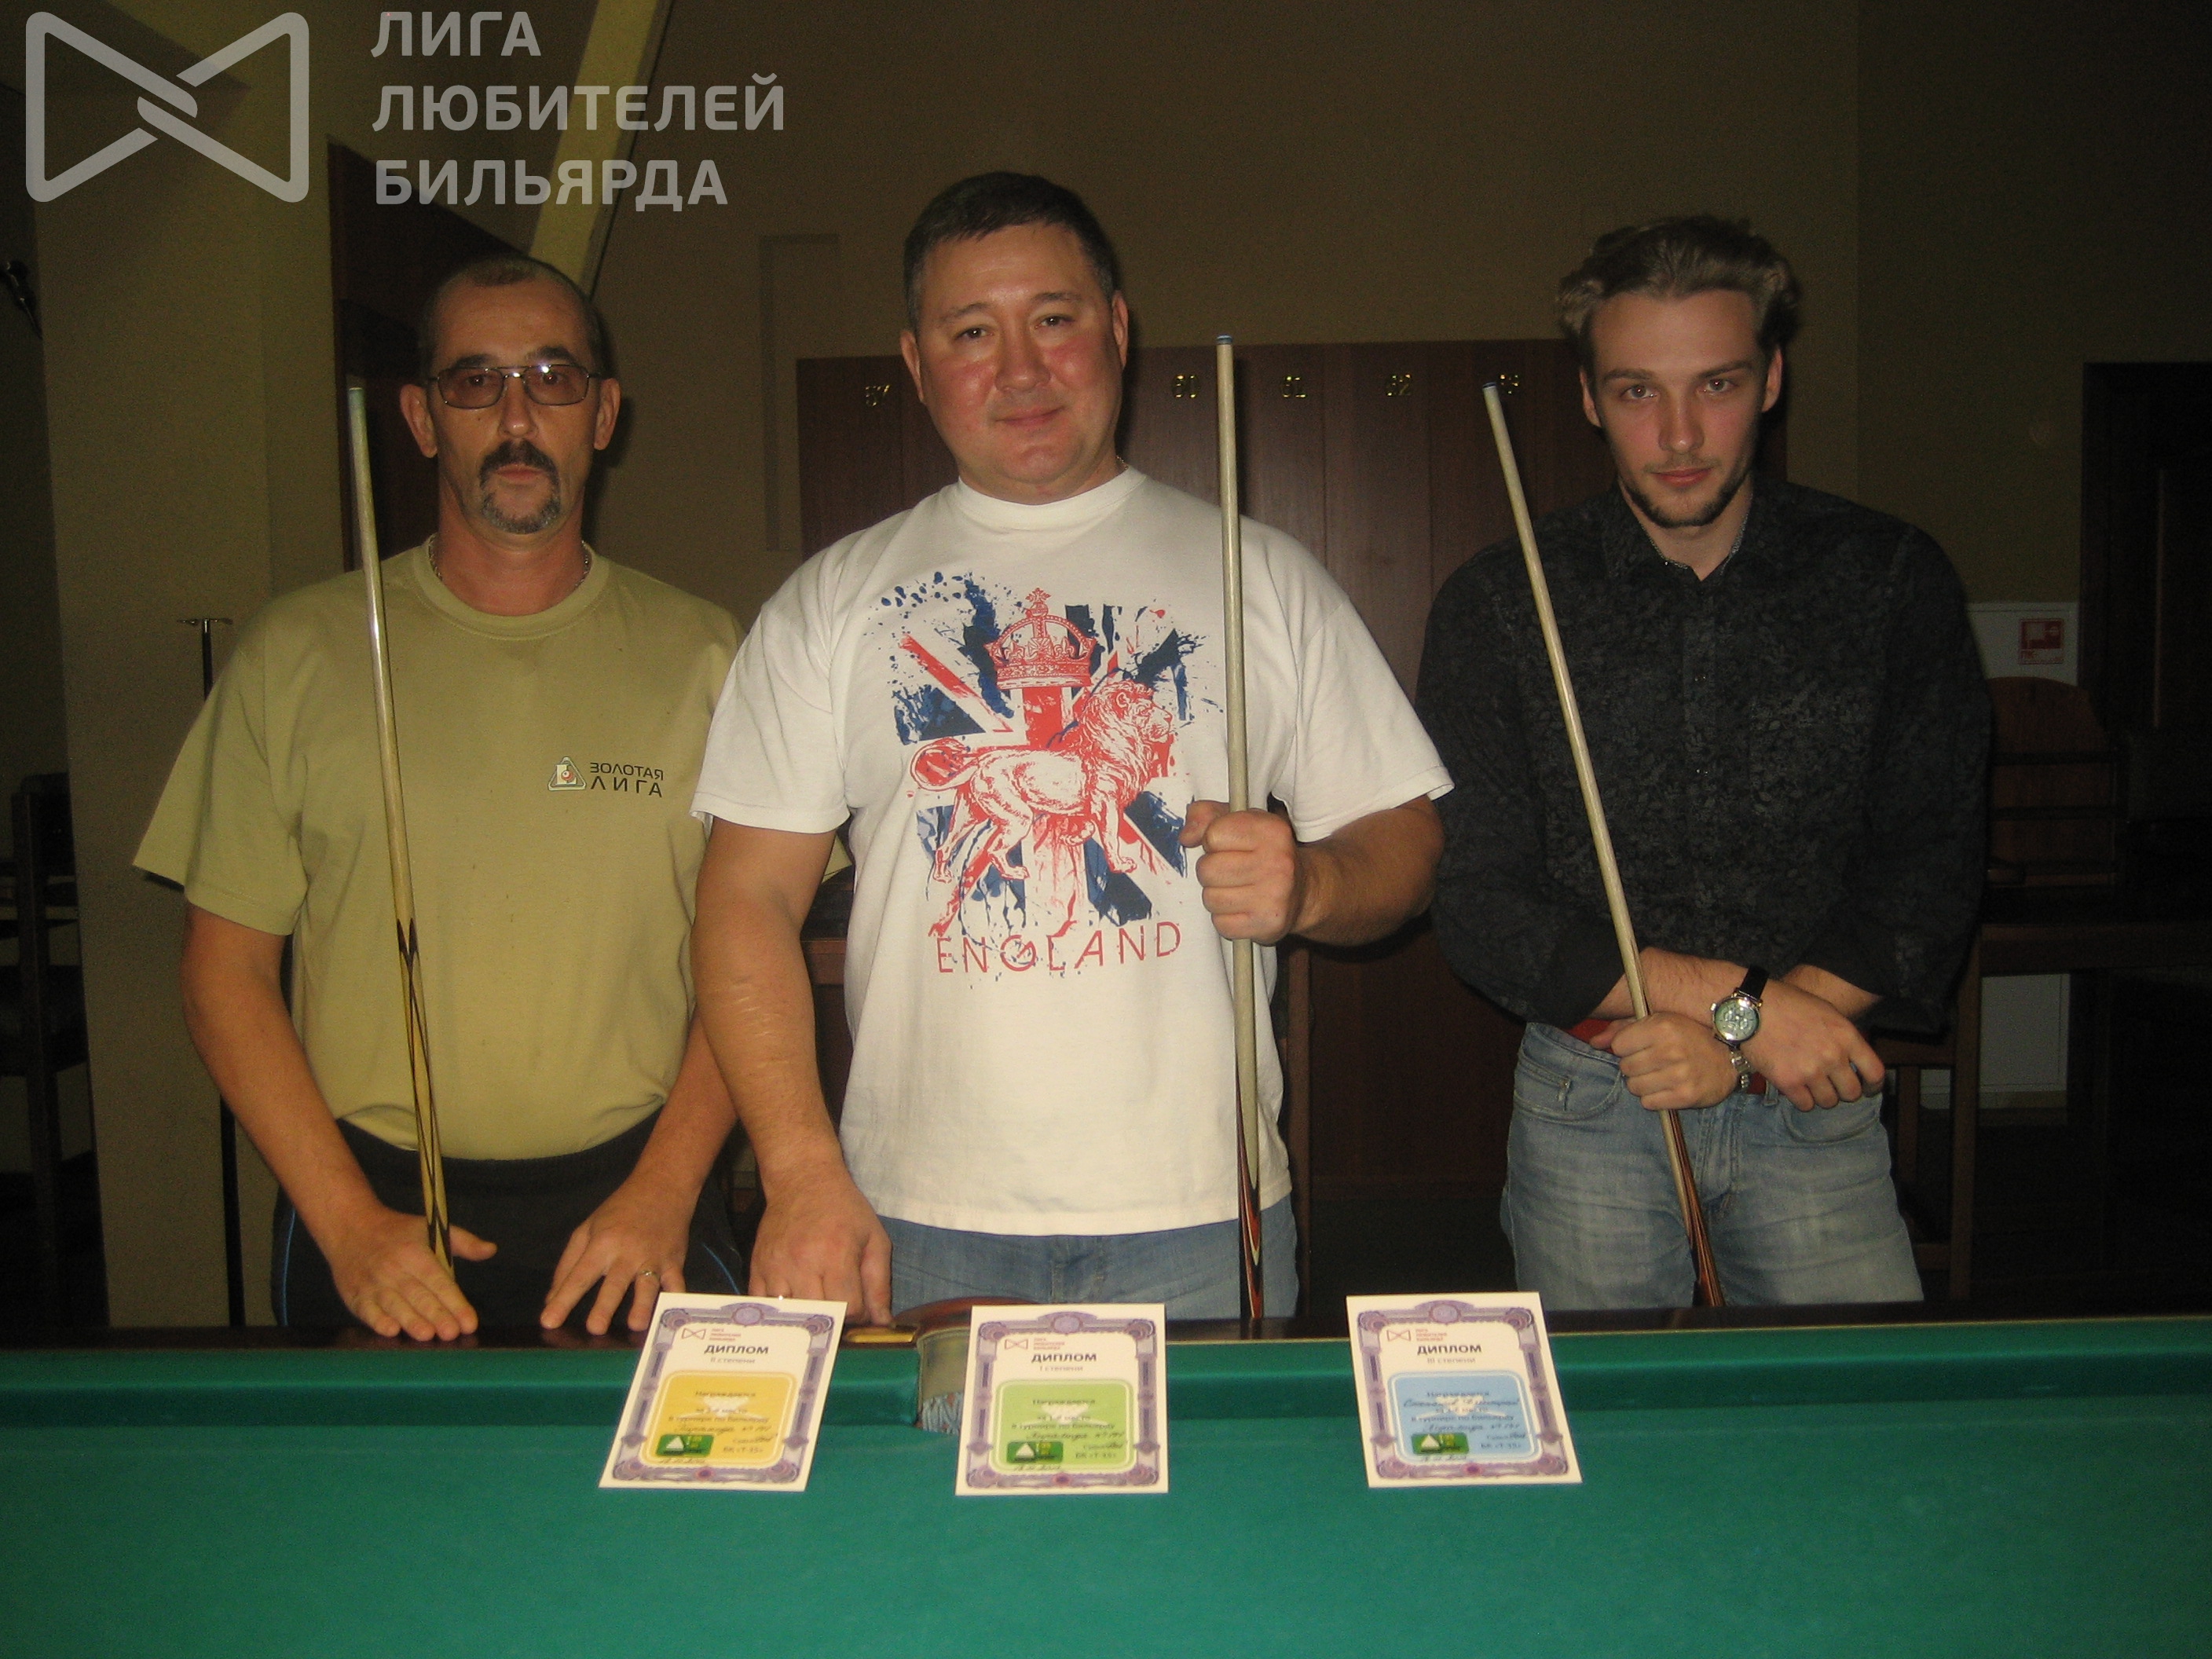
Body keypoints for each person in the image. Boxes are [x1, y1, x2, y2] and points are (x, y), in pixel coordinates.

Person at [689, 173, 1448, 1322]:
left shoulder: (1261, 575)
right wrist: (797, 1174)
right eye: (971, 333)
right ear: (916, 364)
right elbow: (744, 898)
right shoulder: (831, 603)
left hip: (1203, 1214)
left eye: (1054, 318)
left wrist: (1314, 884)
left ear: (1119, 330)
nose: (1022, 370)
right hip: (912, 1217)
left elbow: (1405, 838)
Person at [137, 254, 745, 1340]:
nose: (516, 417)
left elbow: (756, 955)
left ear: (603, 414)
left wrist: (666, 1189)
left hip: (641, 1200)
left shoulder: (710, 656)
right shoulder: (296, 654)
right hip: (371, 1210)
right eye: (475, 382)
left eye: (552, 379)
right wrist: (345, 1222)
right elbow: (223, 972)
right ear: (423, 419)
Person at [1418, 217, 1990, 1309]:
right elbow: (1483, 908)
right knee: (1605, 1415)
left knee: (1853, 1408)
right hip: (1596, 1098)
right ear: (1591, 398)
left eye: (1716, 385)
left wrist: (1741, 1044)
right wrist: (1747, 1008)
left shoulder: (1889, 579)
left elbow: (1928, 871)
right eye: (1637, 391)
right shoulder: (1500, 601)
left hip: (1814, 1093)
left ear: (1771, 379)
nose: (1679, 434)